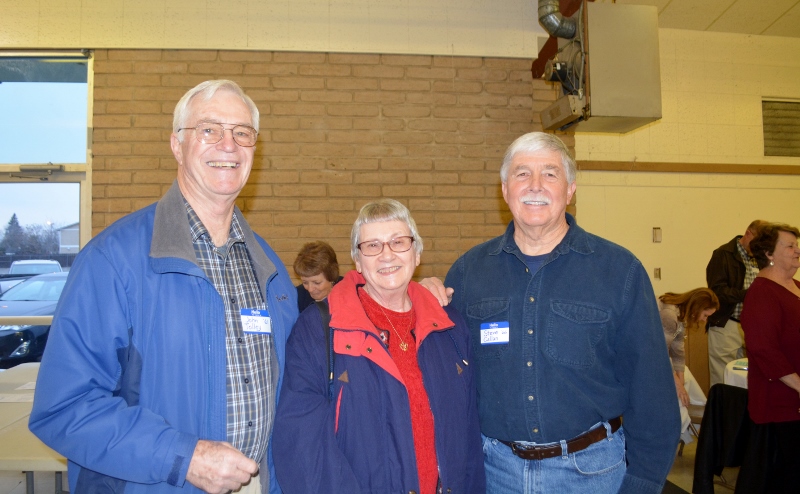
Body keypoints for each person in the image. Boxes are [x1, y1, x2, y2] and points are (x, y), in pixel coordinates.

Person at [29, 80, 298, 494]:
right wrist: (184, 457)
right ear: (177, 144)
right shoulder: (112, 262)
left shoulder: (270, 268)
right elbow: (64, 408)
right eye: (209, 129)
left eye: (242, 133)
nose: (229, 144)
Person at [425, 132, 680, 494]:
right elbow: (444, 378)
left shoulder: (619, 271)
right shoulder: (468, 273)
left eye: (550, 173)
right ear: (504, 188)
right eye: (522, 174)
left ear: (571, 189)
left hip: (592, 474)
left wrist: (642, 481)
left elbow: (651, 388)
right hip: (493, 471)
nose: (535, 185)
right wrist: (415, 302)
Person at [273, 199, 485, 493]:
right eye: (372, 246)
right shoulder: (319, 329)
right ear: (357, 261)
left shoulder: (449, 326)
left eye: (399, 242)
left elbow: (469, 435)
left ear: (417, 252)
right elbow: (300, 443)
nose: (387, 255)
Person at [740, 222, 800, 492]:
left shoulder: (796, 285)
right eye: (790, 246)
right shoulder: (762, 292)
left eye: (797, 246)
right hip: (782, 401)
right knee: (785, 475)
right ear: (769, 254)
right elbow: (763, 348)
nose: (797, 251)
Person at [706, 220, 766, 386]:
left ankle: (741, 412)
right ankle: (722, 412)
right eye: (758, 243)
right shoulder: (723, 254)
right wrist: (749, 295)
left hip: (753, 326)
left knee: (746, 379)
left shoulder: (760, 259)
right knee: (723, 377)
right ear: (748, 233)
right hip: (727, 323)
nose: (759, 248)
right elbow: (717, 292)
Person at [657, 288, 719, 441]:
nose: (705, 320)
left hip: (659, 359)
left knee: (687, 380)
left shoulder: (681, 315)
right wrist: (678, 385)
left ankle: (693, 414)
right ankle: (677, 424)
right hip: (649, 360)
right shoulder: (669, 315)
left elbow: (678, 351)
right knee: (675, 389)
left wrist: (681, 380)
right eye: (705, 315)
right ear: (697, 307)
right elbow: (660, 354)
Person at [292, 240, 342, 312]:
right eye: (305, 282)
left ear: (332, 276)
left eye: (316, 282)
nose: (310, 289)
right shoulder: (297, 297)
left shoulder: (349, 291)